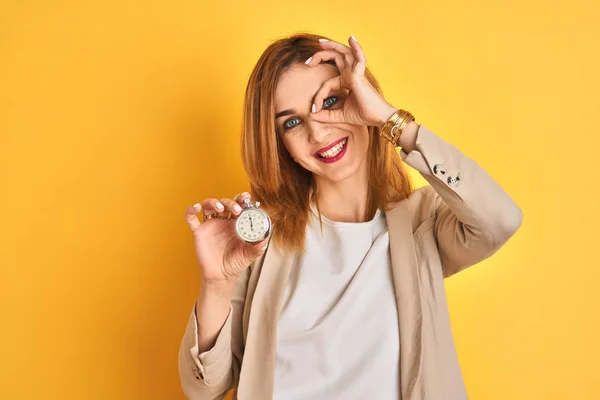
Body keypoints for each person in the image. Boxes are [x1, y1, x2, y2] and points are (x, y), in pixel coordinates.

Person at [178, 32, 523, 400]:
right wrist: (215, 285)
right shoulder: (258, 240)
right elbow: (202, 389)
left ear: (360, 99)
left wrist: (392, 120)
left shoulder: (424, 223)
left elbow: (499, 219)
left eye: (329, 101)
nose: (318, 130)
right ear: (280, 144)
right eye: (291, 123)